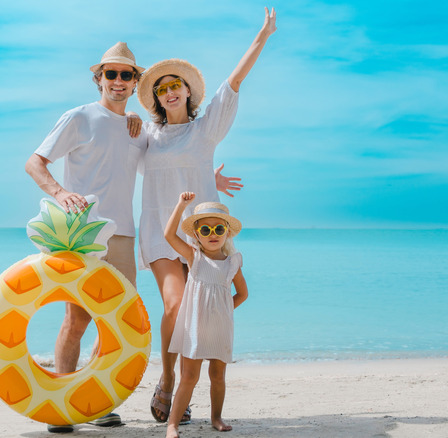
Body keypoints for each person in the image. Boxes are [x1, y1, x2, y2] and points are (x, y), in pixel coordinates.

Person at [24, 41, 239, 433]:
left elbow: (165, 164)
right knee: (76, 319)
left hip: (123, 234)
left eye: (126, 75)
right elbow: (34, 162)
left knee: (114, 323)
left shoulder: (138, 130)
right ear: (98, 78)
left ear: (134, 80)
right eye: (111, 74)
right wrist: (58, 192)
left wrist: (208, 178)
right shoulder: (78, 117)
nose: (118, 81)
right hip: (80, 233)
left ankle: (98, 401)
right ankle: (61, 404)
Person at [135, 7, 276, 423]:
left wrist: (263, 36)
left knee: (197, 312)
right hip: (160, 232)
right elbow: (129, 159)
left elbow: (233, 81)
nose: (169, 92)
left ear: (187, 91)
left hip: (202, 235)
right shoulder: (146, 134)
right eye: (161, 89)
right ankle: (165, 378)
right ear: (157, 99)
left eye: (175, 84)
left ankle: (184, 387)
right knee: (176, 307)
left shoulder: (205, 130)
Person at [163, 192, 248, 438]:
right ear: (197, 234)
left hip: (220, 327)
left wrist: (223, 311)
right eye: (206, 230)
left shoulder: (232, 262)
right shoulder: (195, 257)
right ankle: (172, 425)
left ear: (227, 233)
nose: (212, 234)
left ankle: (216, 417)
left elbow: (242, 294)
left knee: (218, 376)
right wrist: (181, 205)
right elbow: (169, 235)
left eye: (219, 229)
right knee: (189, 377)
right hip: (194, 328)